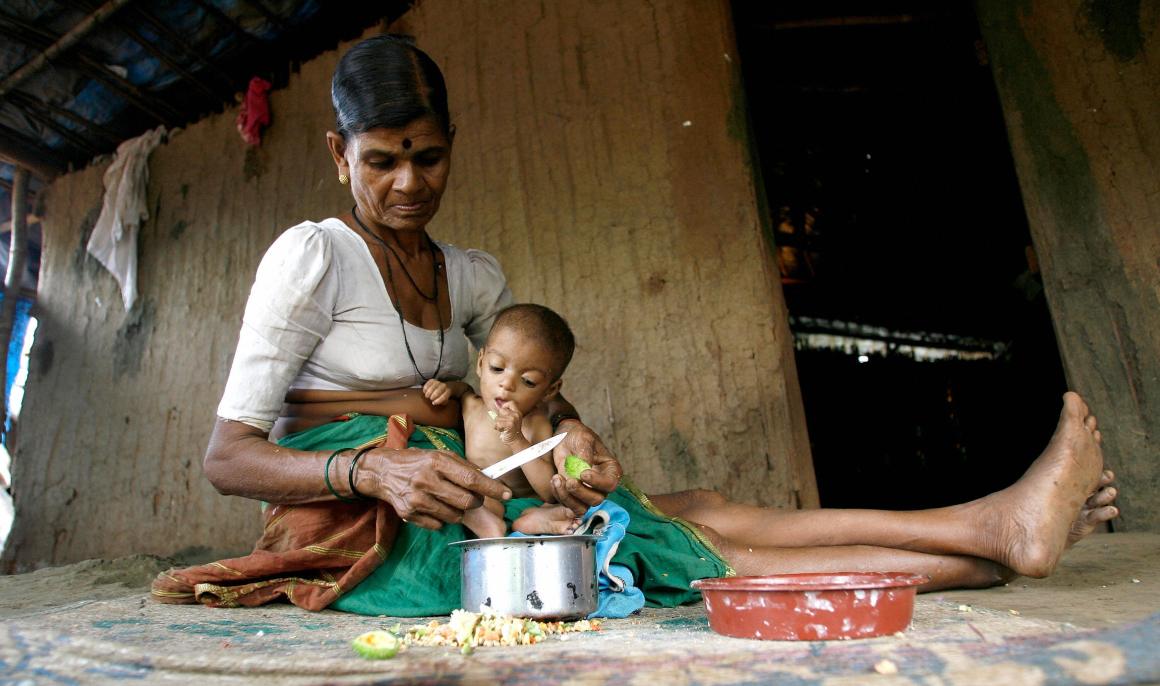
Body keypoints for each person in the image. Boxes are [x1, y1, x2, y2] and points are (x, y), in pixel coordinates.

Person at [153, 35, 1118, 617]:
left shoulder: (475, 276)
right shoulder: (310, 255)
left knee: (689, 510)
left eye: (428, 158)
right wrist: (373, 468)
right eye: (380, 161)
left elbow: (534, 394)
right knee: (683, 555)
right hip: (367, 524)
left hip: (476, 483)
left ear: (452, 150)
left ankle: (999, 534)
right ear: (337, 155)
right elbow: (227, 458)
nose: (408, 184)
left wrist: (575, 441)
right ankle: (997, 534)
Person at [422, 303, 584, 539]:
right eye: (497, 368)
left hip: (527, 503)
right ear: (480, 364)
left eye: (528, 381)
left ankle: (534, 522)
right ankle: (489, 522)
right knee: (455, 485)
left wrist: (516, 439)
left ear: (550, 391)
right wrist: (444, 388)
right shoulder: (471, 405)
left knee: (565, 502)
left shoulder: (535, 423)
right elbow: (461, 390)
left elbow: (547, 490)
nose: (507, 384)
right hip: (484, 498)